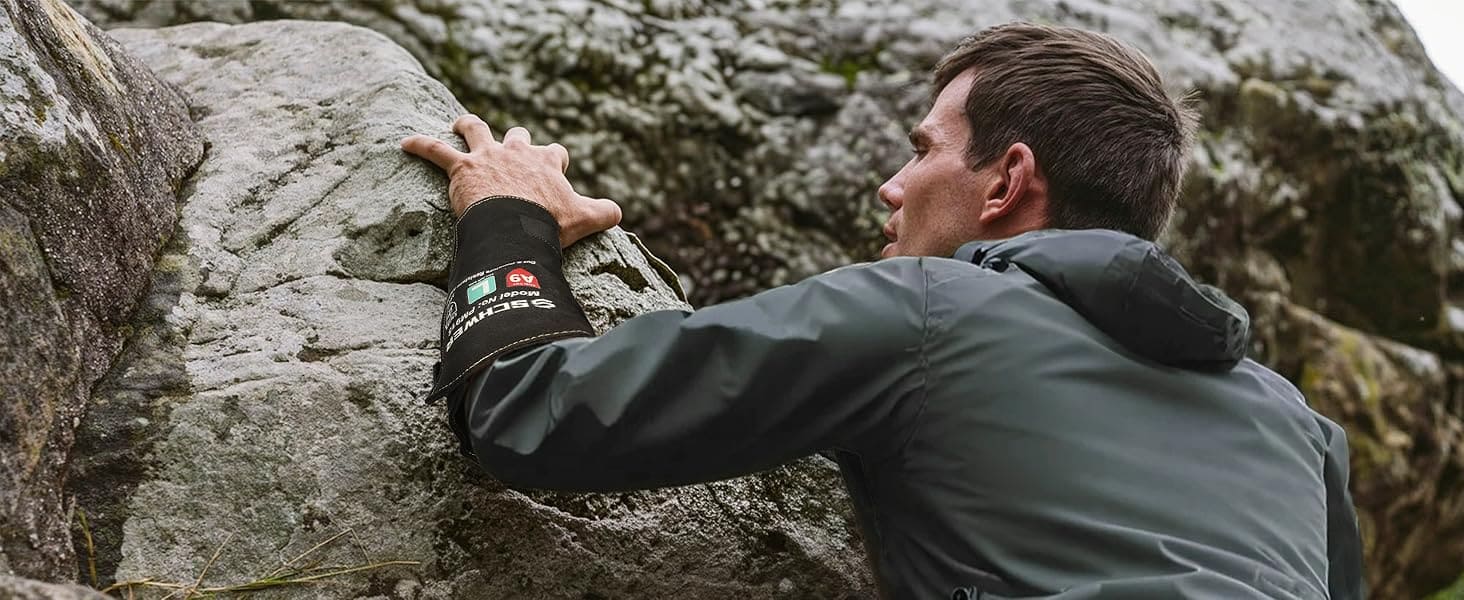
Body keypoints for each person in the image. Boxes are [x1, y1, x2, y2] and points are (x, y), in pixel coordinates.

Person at [401, 22, 1364, 600]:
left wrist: (507, 217)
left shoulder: (928, 312)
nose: (890, 187)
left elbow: (530, 412)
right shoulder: (1300, 427)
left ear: (1007, 181)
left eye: (922, 148)